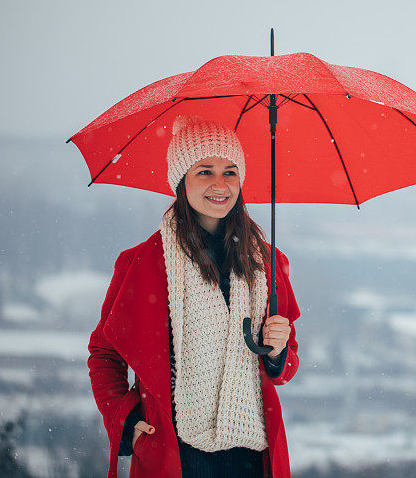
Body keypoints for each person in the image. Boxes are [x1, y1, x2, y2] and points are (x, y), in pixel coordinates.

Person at [87, 115, 301, 478]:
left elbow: (285, 366)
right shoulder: (142, 263)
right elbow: (105, 353)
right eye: (205, 171)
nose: (220, 184)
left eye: (230, 171)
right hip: (175, 456)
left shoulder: (267, 262)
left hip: (252, 455)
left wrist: (279, 351)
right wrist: (127, 420)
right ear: (180, 180)